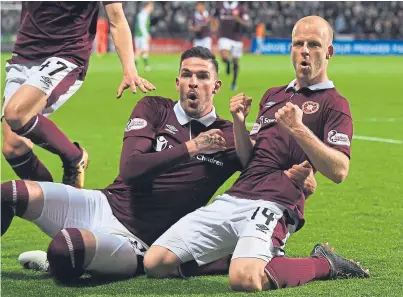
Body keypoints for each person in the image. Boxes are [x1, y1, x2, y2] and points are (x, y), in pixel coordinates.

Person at [2, 47, 316, 281]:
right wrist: (192, 148)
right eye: (188, 75)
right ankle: (82, 260)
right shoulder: (154, 108)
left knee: (64, 247)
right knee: (9, 194)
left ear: (216, 86)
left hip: (139, 241)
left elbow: (264, 173)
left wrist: (301, 181)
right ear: (178, 81)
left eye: (203, 76)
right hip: (102, 203)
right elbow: (131, 170)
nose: (194, 83)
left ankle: (102, 261)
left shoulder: (229, 135)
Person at [143, 16, 370, 292]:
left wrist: (298, 129)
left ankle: (324, 263)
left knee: (246, 280)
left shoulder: (335, 104)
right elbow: (247, 159)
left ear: (329, 52)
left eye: (314, 44)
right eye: (298, 44)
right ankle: (240, 254)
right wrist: (239, 121)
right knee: (155, 262)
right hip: (235, 196)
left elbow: (339, 170)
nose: (305, 51)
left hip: (275, 202)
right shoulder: (273, 95)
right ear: (291, 49)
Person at [2, 2, 155, 189]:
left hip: (65, 53)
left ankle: (75, 157)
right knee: (14, 146)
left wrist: (129, 70)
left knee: (16, 113)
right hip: (24, 53)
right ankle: (54, 205)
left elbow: (117, 18)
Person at [212, 1, 249, 91]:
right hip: (224, 36)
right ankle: (228, 62)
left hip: (236, 38)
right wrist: (215, 28)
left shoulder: (241, 7)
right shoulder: (219, 5)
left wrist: (237, 18)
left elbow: (246, 23)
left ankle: (234, 82)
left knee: (236, 63)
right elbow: (213, 18)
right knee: (224, 56)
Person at [134, 2, 153, 72]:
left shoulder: (143, 14)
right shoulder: (143, 14)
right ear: (147, 6)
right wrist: (146, 35)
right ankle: (134, 63)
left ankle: (146, 66)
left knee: (144, 50)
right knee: (141, 50)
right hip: (141, 36)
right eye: (151, 6)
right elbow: (142, 26)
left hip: (139, 35)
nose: (152, 8)